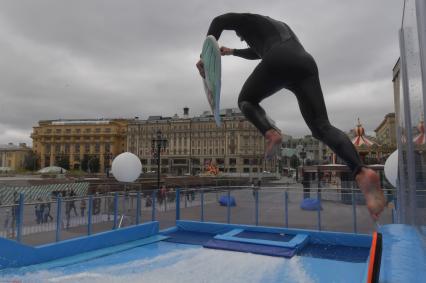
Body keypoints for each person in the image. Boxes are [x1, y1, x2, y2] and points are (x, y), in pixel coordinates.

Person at [196, 13, 385, 220]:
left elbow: (219, 21)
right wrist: (232, 52)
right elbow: (258, 52)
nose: (241, 37)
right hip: (304, 65)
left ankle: (270, 133)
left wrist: (205, 58)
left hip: (279, 58)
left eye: (239, 35)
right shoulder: (275, 29)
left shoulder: (247, 19)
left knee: (246, 101)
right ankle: (361, 171)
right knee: (321, 127)